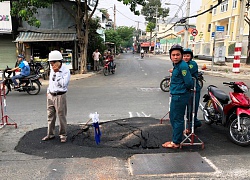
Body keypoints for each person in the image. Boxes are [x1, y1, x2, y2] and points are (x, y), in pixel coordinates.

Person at [162, 44, 193, 149]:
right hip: (176, 95)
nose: (175, 57)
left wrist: (182, 90)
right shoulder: (177, 65)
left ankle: (176, 142)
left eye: (178, 55)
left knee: (177, 119)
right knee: (173, 118)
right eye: (173, 55)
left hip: (180, 96)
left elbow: (189, 82)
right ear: (170, 56)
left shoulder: (183, 66)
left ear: (181, 55)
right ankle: (175, 139)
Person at [42, 50, 70, 143]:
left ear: (58, 62)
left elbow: (63, 84)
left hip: (60, 95)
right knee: (50, 115)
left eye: (53, 63)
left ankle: (63, 134)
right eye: (50, 63)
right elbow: (51, 81)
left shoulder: (65, 70)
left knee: (61, 116)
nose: (51, 65)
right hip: (51, 94)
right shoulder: (51, 69)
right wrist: (48, 91)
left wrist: (57, 73)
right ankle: (50, 134)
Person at [183, 48, 202, 132]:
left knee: (192, 108)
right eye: (184, 56)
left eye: (188, 56)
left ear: (191, 57)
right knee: (187, 108)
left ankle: (190, 126)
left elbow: (187, 71)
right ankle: (195, 122)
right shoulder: (181, 63)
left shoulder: (192, 64)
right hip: (186, 90)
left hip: (194, 89)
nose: (186, 57)